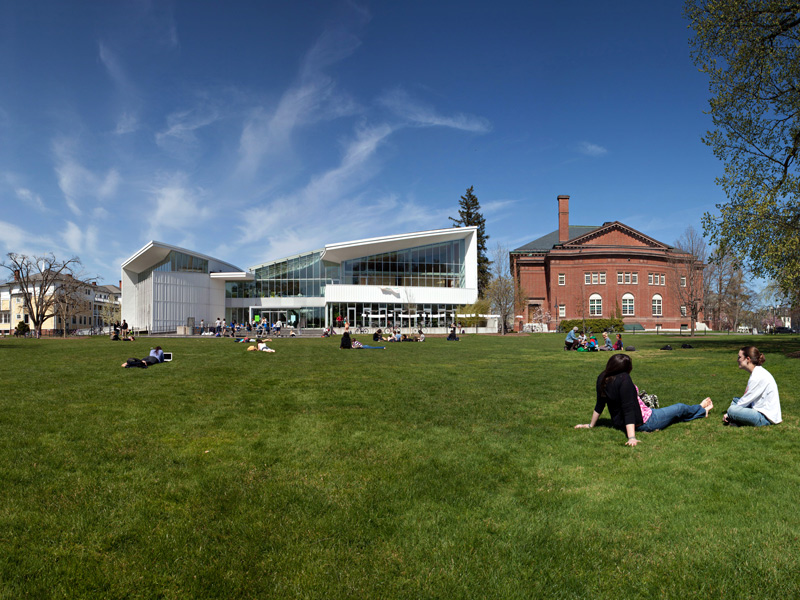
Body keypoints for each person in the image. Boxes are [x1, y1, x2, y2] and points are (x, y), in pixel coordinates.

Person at [575, 353, 713, 446]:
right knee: (679, 408)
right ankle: (700, 409)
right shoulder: (624, 379)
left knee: (675, 417)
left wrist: (590, 425)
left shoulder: (603, 377)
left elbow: (600, 404)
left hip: (623, 422)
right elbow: (628, 409)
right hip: (647, 421)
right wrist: (632, 437)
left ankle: (700, 412)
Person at [723, 346, 782, 427]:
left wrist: (729, 413)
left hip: (764, 418)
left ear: (748, 359)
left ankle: (735, 419)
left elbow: (746, 400)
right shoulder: (757, 372)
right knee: (735, 400)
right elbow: (746, 400)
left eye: (739, 357)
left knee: (732, 409)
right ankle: (736, 420)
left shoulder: (757, 376)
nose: (737, 360)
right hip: (759, 410)